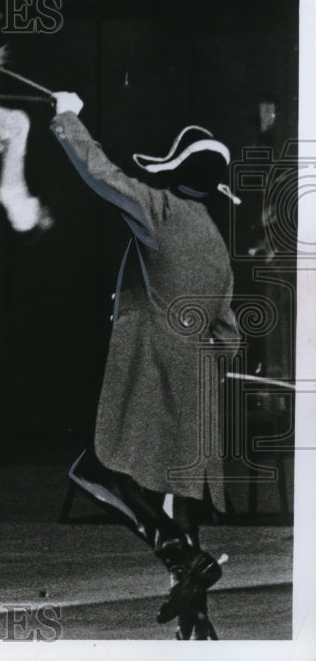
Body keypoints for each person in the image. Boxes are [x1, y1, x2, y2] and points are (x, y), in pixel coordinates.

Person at [50, 91, 241, 639]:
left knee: (95, 467)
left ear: (173, 172)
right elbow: (228, 337)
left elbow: (101, 174)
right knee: (181, 493)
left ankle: (178, 554)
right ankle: (197, 620)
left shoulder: (160, 211)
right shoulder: (214, 241)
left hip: (152, 369)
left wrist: (67, 114)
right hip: (199, 381)